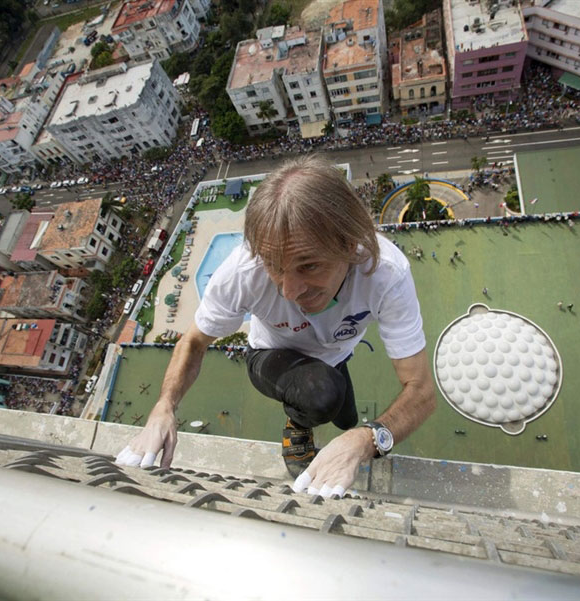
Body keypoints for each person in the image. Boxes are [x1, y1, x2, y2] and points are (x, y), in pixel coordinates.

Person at [116, 155, 436, 498]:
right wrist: (164, 406)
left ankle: (329, 413)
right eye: (275, 266)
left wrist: (366, 438)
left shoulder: (386, 273)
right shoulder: (242, 272)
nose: (289, 291)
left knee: (347, 419)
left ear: (349, 243)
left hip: (335, 355)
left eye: (309, 265)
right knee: (320, 395)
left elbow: (420, 388)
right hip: (271, 353)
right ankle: (297, 424)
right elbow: (194, 341)